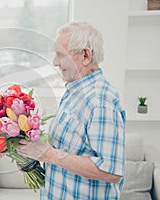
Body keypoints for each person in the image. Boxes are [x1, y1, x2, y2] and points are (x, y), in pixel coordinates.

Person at [16, 22, 126, 199]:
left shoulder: (100, 101)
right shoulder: (74, 92)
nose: (55, 62)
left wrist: (49, 155)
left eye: (60, 54)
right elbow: (66, 151)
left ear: (85, 55)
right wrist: (32, 158)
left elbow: (111, 171)